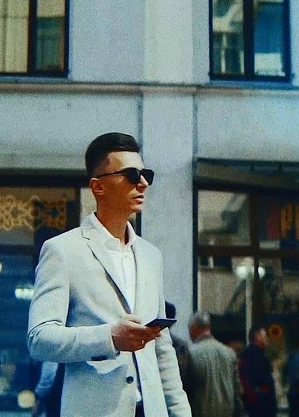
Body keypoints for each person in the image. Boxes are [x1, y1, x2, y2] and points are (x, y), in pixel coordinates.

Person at [27, 132, 191, 417]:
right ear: (98, 187)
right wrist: (109, 337)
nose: (143, 183)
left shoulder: (151, 256)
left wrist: (181, 413)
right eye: (131, 174)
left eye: (146, 174)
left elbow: (162, 349)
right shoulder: (63, 251)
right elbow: (39, 339)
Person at [185, 311, 244, 417]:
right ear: (209, 327)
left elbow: (187, 388)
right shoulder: (229, 353)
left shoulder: (191, 354)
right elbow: (237, 390)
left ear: (194, 328)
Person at [239, 325, 277, 417]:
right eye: (264, 336)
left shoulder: (255, 354)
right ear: (257, 337)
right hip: (261, 406)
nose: (267, 339)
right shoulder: (253, 356)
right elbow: (254, 379)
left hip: (260, 403)